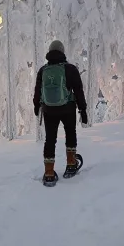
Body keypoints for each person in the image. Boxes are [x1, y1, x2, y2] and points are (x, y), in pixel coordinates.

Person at [33, 40, 88, 185]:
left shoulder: (43, 70)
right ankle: (71, 164)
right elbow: (78, 90)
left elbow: (37, 91)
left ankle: (49, 172)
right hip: (67, 108)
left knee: (50, 139)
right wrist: (83, 109)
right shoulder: (70, 69)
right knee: (70, 133)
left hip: (48, 110)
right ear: (62, 52)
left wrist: (36, 107)